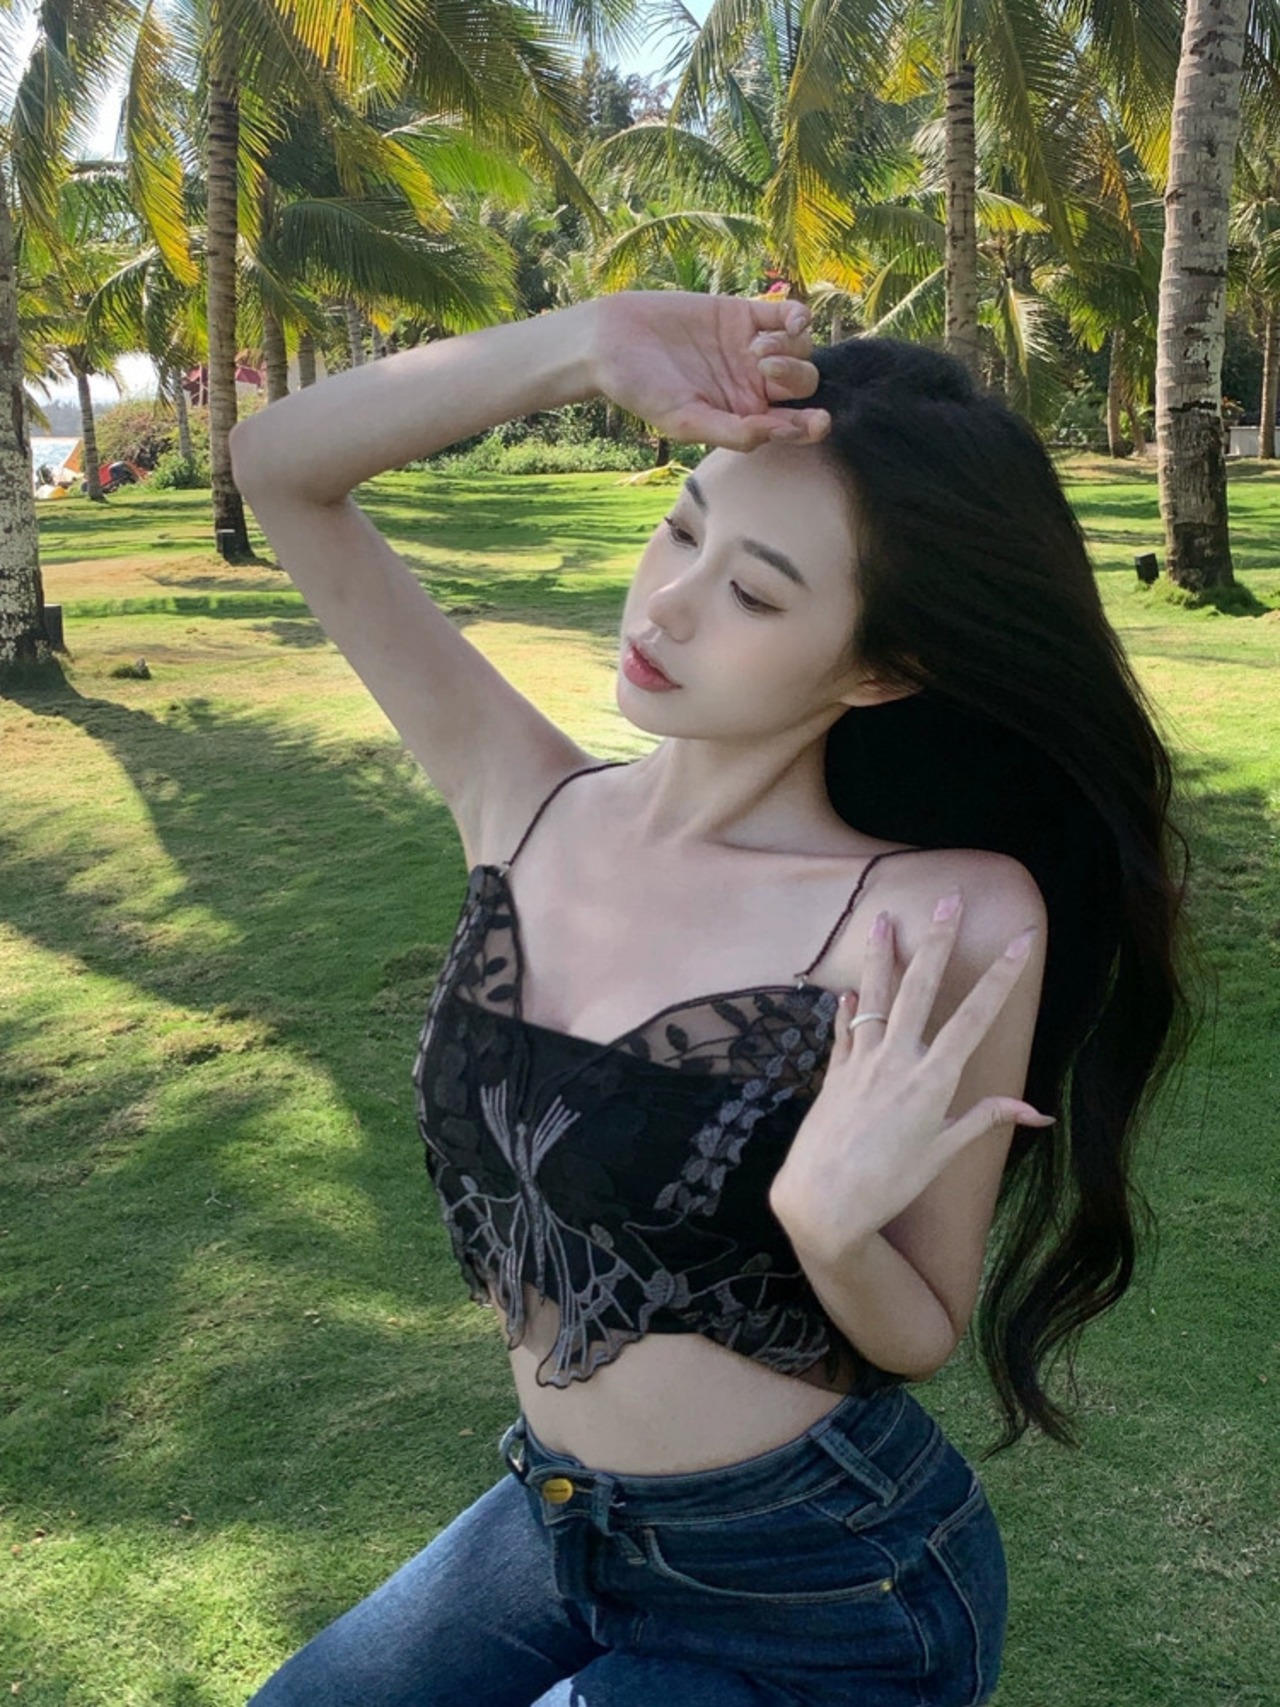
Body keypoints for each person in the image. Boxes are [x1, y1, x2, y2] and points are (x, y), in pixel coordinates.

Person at [229, 291, 1189, 1706]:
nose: (669, 606)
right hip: (559, 1521)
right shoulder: (523, 800)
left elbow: (918, 1326)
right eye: (682, 529)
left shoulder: (940, 913)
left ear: (884, 668)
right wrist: (580, 346)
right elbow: (278, 468)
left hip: (822, 1586)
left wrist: (827, 1225)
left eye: (756, 593)